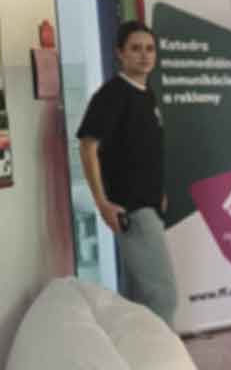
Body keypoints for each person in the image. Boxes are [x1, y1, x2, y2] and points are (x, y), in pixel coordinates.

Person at [76, 20, 179, 329]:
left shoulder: (146, 94)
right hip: (131, 209)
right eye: (135, 48)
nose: (144, 55)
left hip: (149, 205)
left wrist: (158, 190)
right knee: (163, 297)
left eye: (149, 49)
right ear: (120, 53)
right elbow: (88, 146)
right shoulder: (112, 95)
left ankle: (138, 356)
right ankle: (163, 357)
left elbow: (142, 149)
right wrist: (102, 202)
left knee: (142, 299)